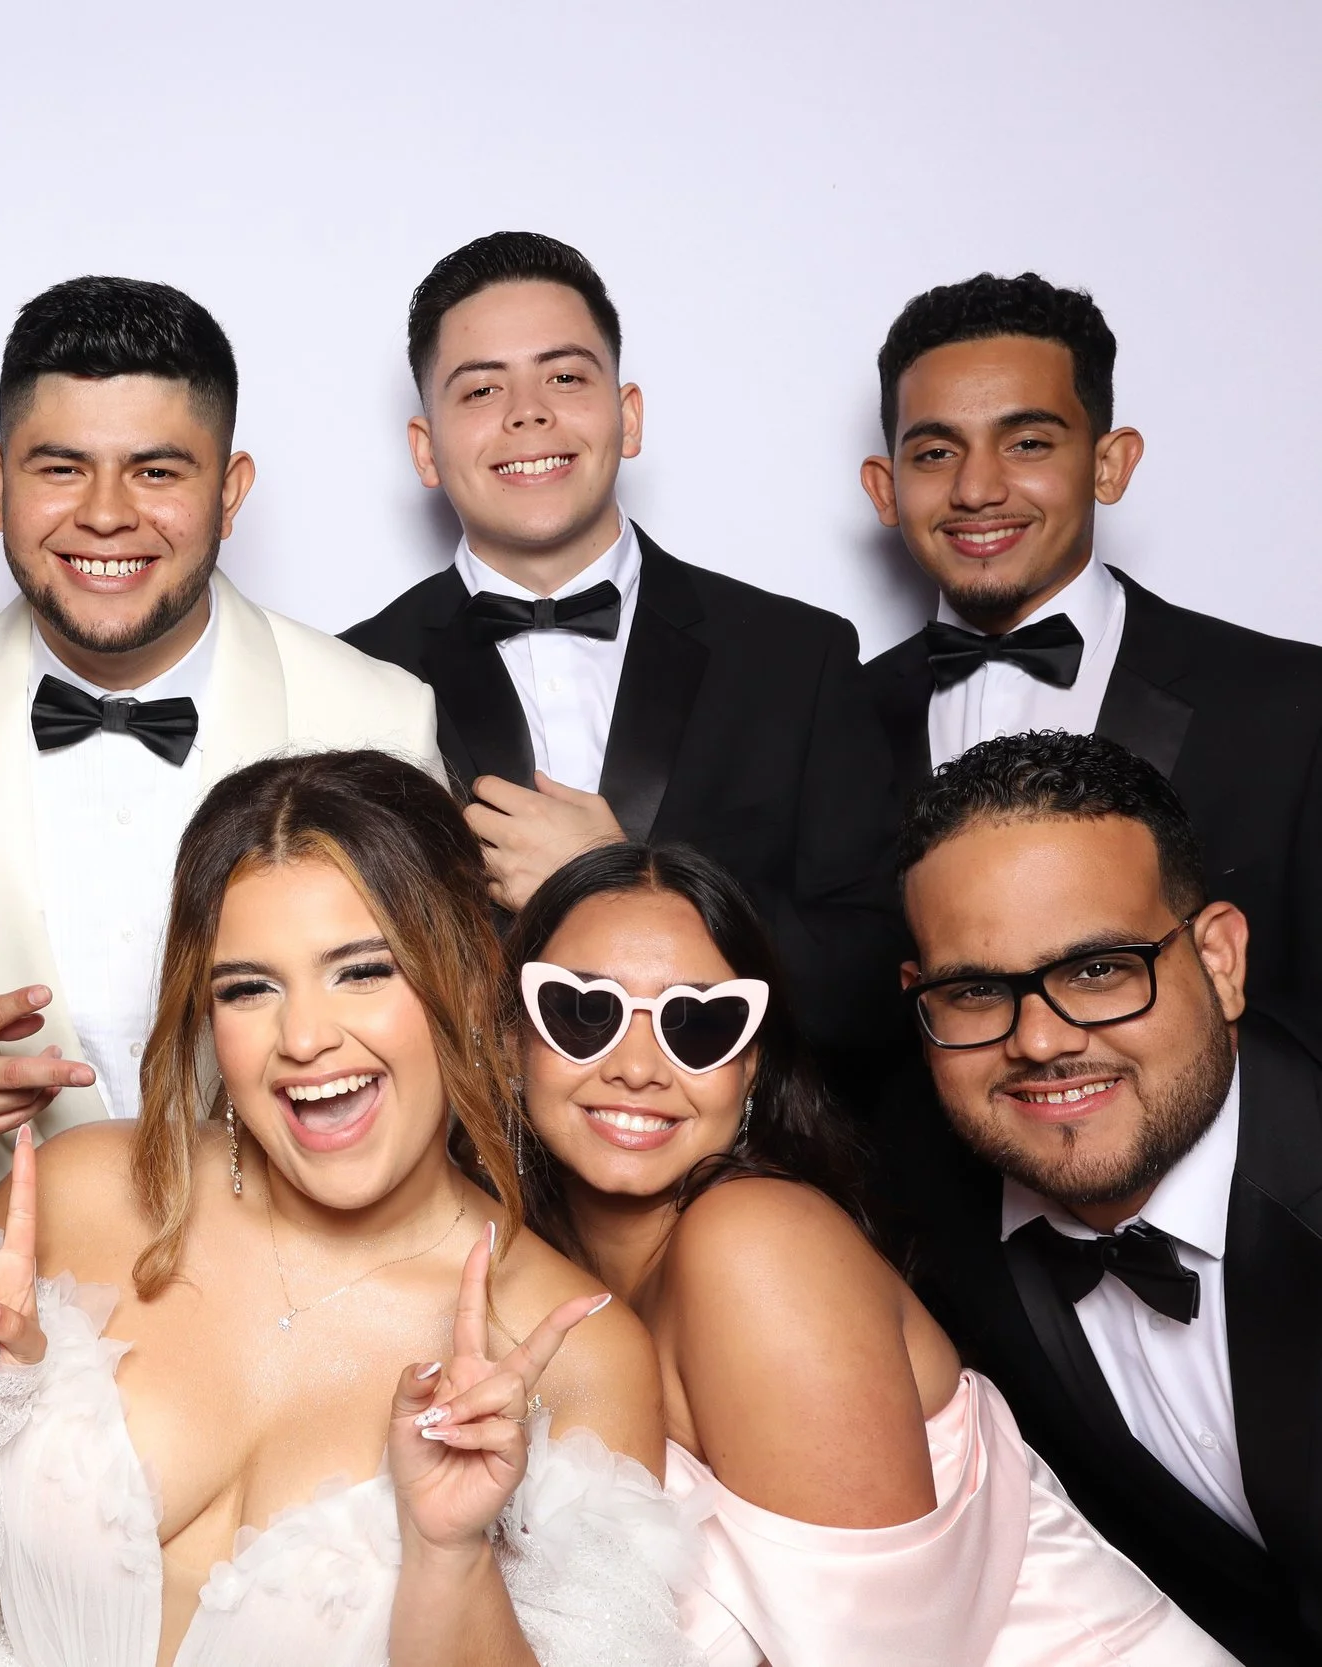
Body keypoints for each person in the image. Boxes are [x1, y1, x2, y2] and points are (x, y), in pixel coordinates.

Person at [0, 749, 695, 1666]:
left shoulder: (577, 1351)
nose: (304, 1037)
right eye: (248, 988)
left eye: (363, 971)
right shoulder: (75, 1197)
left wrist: (450, 1556)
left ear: (468, 977)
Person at [506, 841, 1226, 1665]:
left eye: (700, 1025)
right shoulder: (542, 1286)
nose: (637, 1067)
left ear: (750, 1068)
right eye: (581, 1011)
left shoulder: (752, 1243)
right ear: (511, 1035)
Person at [0, 275, 440, 1220]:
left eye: (157, 471)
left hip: (297, 1283)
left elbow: (434, 1035)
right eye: (61, 467)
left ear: (231, 492)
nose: (106, 514)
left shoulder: (381, 717)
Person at [344, 232, 901, 1062]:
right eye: (481, 389)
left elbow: (869, 978)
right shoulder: (353, 677)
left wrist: (626, 876)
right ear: (426, 449)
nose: (528, 412)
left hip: (746, 1168)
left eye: (565, 377)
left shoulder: (797, 658)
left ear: (627, 415)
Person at [878, 728, 1320, 1665]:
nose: (1039, 1041)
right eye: (976, 991)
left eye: (1098, 969)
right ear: (920, 1001)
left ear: (1222, 960)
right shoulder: (909, 1211)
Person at [860, 272, 1322, 1035]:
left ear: (1109, 464)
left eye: (1028, 442)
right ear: (886, 488)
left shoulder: (1290, 708)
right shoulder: (832, 717)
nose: (977, 487)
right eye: (937, 451)